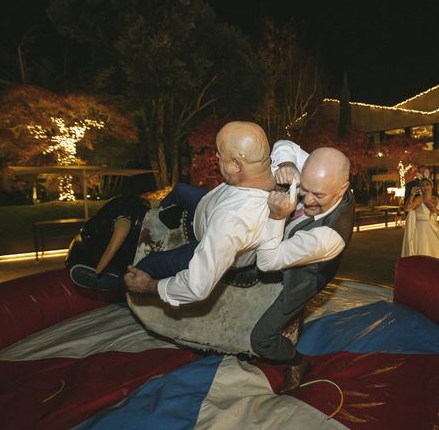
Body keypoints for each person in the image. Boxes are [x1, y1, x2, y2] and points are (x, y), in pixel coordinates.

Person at [123, 121, 307, 304]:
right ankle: (158, 214)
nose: (217, 156)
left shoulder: (231, 222)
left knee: (148, 264)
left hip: (206, 237)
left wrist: (148, 285)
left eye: (220, 155)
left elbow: (197, 287)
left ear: (236, 164)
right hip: (207, 204)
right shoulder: (272, 165)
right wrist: (289, 163)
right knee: (179, 189)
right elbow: (285, 144)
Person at [251, 147, 355, 393]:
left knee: (261, 340)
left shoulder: (328, 237)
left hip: (305, 278)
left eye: (317, 195)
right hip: (288, 247)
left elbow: (266, 262)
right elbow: (284, 144)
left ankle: (297, 361)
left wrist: (277, 217)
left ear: (343, 188)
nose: (306, 200)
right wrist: (287, 162)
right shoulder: (322, 171)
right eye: (304, 190)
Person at [400, 177, 439, 263]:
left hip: (434, 230)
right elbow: (407, 209)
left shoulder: (438, 200)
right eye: (423, 185)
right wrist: (411, 195)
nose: (425, 187)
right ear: (420, 188)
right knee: (423, 252)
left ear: (432, 186)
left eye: (427, 184)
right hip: (421, 230)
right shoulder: (419, 199)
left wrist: (436, 210)